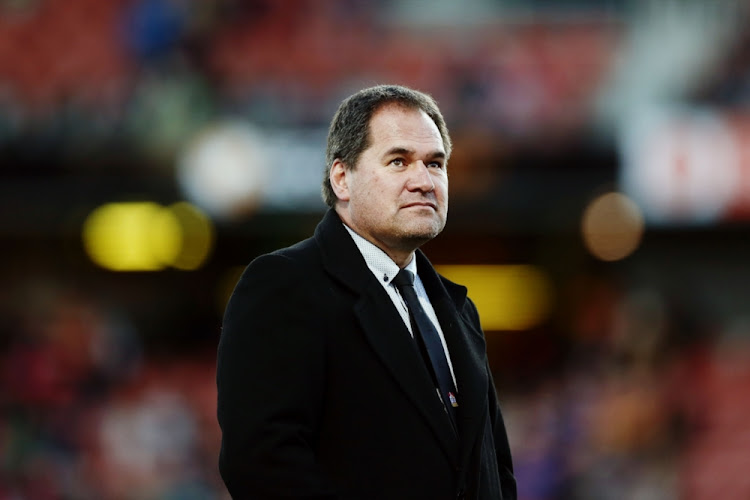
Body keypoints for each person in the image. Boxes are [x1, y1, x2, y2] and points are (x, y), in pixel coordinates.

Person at [217, 84, 516, 500]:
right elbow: (261, 464)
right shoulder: (285, 285)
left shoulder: (458, 309)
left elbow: (495, 470)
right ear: (342, 178)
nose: (423, 180)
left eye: (435, 163)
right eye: (398, 161)